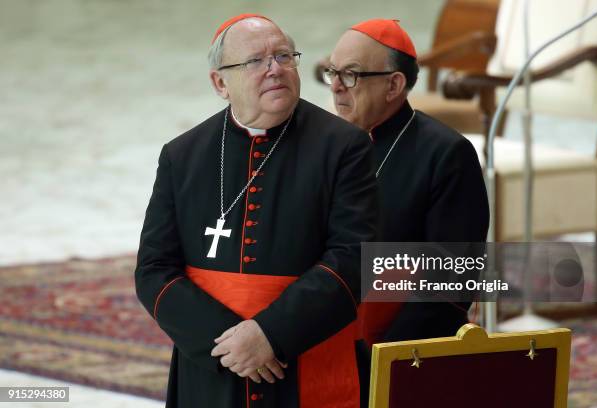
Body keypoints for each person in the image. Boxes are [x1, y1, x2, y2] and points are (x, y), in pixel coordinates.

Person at [135, 14, 377, 408]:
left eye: (284, 56)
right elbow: (153, 270)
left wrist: (270, 334)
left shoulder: (343, 147)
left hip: (305, 351)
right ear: (220, 83)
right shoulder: (183, 155)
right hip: (215, 366)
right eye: (255, 61)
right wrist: (230, 345)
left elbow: (354, 258)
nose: (275, 69)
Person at [326, 18, 489, 404]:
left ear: (394, 85)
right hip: (321, 338)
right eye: (332, 72)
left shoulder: (446, 154)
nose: (334, 85)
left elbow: (451, 281)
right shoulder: (326, 145)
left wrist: (379, 357)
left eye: (350, 75)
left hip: (397, 352)